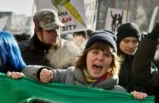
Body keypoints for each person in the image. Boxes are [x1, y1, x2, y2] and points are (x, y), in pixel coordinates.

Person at [8, 30, 148, 100]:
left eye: (106, 55)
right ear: (85, 55)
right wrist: (40, 72)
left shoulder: (119, 94)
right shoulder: (66, 76)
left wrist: (137, 99)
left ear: (112, 62)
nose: (100, 58)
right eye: (95, 52)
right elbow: (26, 71)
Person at [116, 22, 145, 93]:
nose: (131, 46)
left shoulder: (146, 63)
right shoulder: (110, 62)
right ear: (118, 41)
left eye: (135, 42)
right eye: (126, 41)